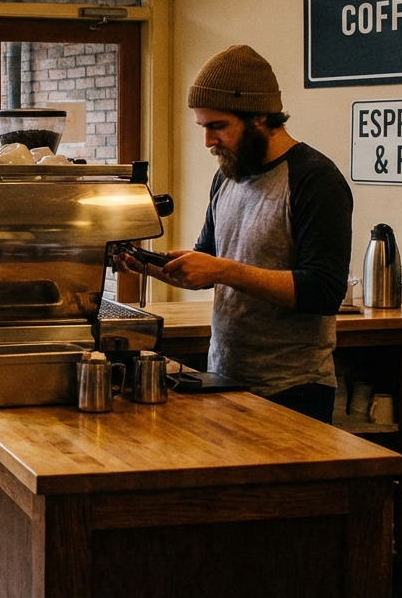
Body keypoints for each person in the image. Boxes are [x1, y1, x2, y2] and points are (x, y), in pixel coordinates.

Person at [116, 45, 352, 423]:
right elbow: (203, 267)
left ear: (260, 116)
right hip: (226, 376)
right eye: (204, 127)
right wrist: (144, 263)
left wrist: (225, 271)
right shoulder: (229, 175)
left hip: (294, 389)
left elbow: (323, 292)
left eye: (218, 126)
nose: (209, 141)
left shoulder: (315, 179)